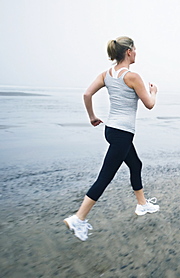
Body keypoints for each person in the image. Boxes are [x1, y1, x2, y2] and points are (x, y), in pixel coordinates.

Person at [64, 36, 159, 241]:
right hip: (122, 133)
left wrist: (92, 117)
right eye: (135, 49)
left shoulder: (106, 75)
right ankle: (78, 218)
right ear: (128, 52)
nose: (136, 52)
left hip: (111, 130)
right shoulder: (132, 77)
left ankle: (142, 205)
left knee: (136, 164)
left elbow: (87, 94)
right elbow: (149, 104)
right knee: (105, 177)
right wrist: (153, 92)